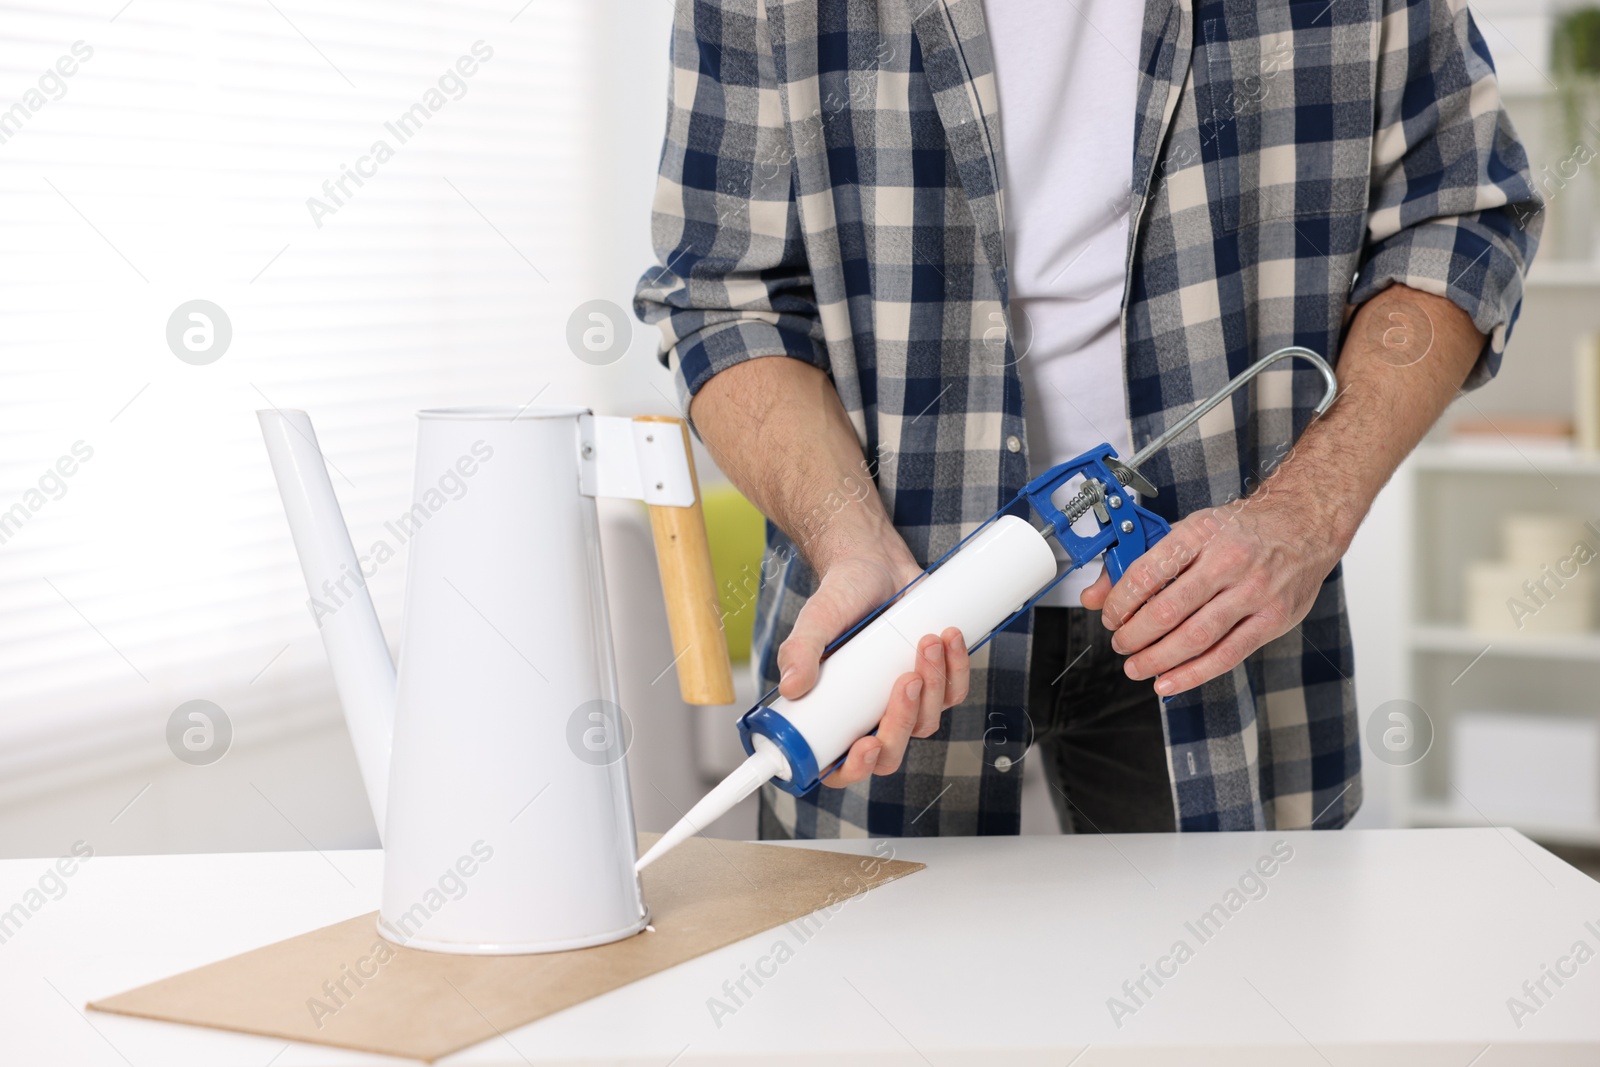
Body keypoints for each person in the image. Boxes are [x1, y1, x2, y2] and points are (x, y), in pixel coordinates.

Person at [635, 1, 1541, 840]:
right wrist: (847, 534)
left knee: (1233, 998)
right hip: (888, 627)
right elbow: (723, 294)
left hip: (1209, 616)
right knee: (873, 999)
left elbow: (1461, 215)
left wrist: (1307, 513)